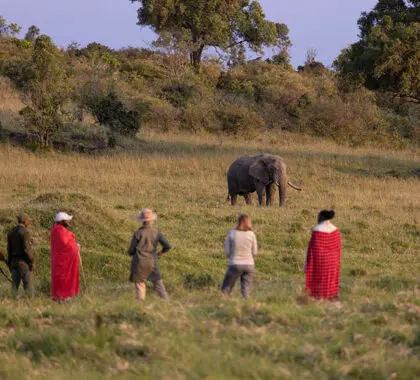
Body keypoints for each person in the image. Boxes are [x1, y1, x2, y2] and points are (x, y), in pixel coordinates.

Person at [128, 208, 172, 301]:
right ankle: (167, 303)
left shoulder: (138, 233)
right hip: (152, 261)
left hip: (139, 262)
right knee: (158, 284)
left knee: (140, 285)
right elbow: (167, 246)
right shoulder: (157, 232)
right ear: (152, 220)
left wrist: (133, 253)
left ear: (141, 221)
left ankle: (141, 307)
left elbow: (131, 250)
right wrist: (159, 253)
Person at [304, 210, 342, 300]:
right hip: (333, 262)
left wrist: (307, 264)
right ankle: (331, 295)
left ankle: (318, 296)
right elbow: (338, 247)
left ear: (321, 218)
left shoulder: (317, 230)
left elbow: (312, 249)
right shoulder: (335, 230)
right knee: (331, 279)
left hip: (320, 261)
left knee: (319, 279)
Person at [221, 214, 258, 298]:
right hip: (249, 264)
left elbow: (227, 251)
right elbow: (255, 252)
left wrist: (232, 257)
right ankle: (246, 307)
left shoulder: (232, 233)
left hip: (235, 264)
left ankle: (226, 306)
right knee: (246, 291)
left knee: (226, 289)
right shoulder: (251, 234)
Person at [50, 212, 80, 302]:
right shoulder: (60, 231)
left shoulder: (57, 230)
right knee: (65, 277)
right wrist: (75, 245)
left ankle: (62, 296)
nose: (69, 222)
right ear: (62, 221)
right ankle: (64, 296)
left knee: (63, 278)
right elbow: (65, 243)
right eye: (67, 221)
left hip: (61, 260)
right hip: (63, 261)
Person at [7, 214, 34, 296]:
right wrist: (31, 261)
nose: (29, 222)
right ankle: (30, 302)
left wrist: (9, 262)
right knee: (28, 285)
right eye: (28, 220)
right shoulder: (25, 232)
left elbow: (9, 249)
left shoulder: (11, 231)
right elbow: (26, 249)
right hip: (23, 262)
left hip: (13, 261)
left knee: (14, 287)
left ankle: (11, 302)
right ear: (24, 221)